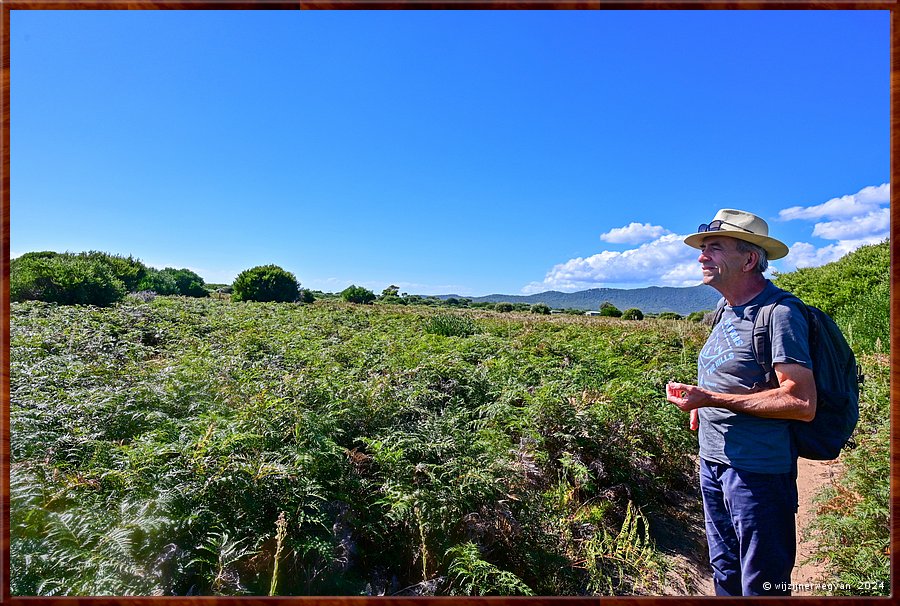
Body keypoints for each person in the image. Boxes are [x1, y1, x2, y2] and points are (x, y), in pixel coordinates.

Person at [665, 208, 817, 597]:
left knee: (763, 580)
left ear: (749, 259)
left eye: (714, 248)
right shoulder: (724, 310)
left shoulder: (779, 314)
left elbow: (800, 400)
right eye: (703, 249)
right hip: (713, 461)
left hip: (757, 471)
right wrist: (701, 403)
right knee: (725, 570)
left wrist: (713, 398)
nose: (702, 256)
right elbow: (732, 372)